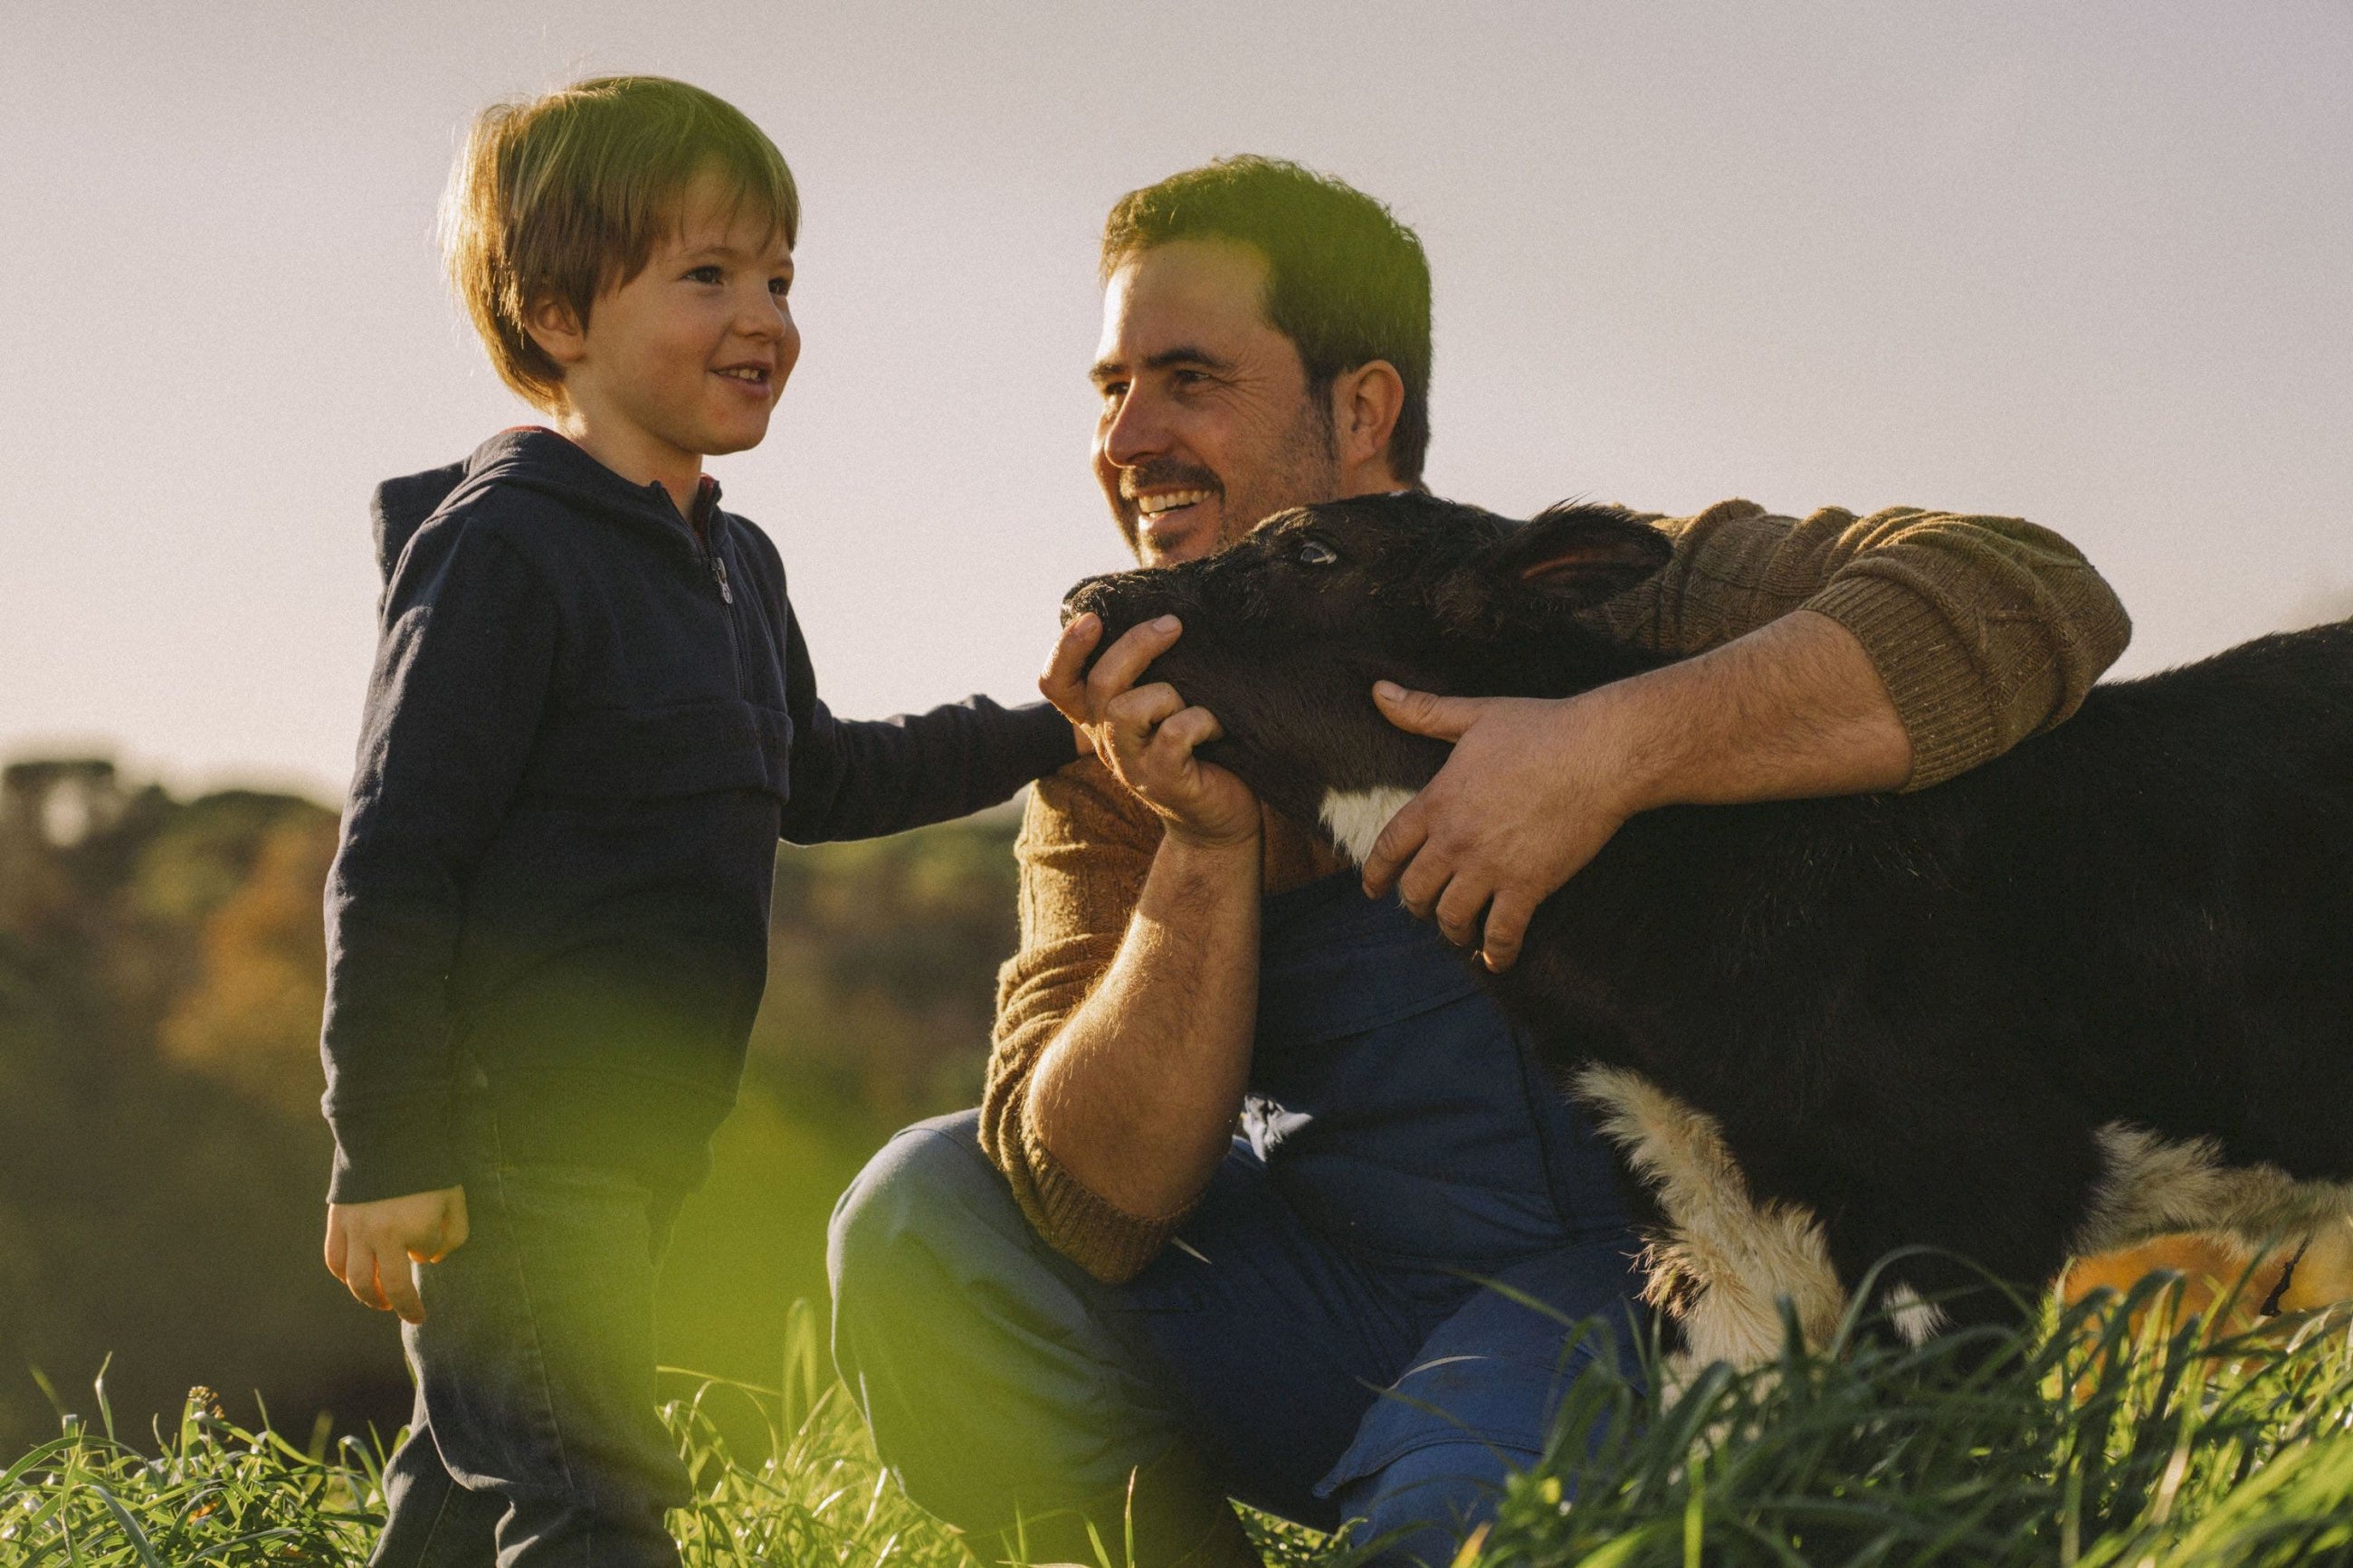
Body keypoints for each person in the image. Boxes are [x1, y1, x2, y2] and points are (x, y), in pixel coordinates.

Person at [828, 157, 2133, 1567]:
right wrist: (1202, 847)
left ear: (1364, 407)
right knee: (927, 1217)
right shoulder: (1112, 764)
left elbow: (2031, 590)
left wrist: (1607, 747)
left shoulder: (1591, 590)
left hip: (1659, 1281)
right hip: (1348, 1300)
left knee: (1449, 1523)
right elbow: (1091, 1208)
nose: (1129, 434)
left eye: (1190, 377)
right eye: (1108, 387)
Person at [316, 77, 1080, 1567]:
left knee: (478, 1483)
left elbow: (823, 774)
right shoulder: (499, 552)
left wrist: (1060, 728)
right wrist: (384, 1140)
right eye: (708, 274)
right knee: (595, 1494)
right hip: (510, 1136)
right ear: (556, 318)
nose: (766, 316)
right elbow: (397, 859)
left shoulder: (736, 565)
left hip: (636, 1143)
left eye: (780, 277)